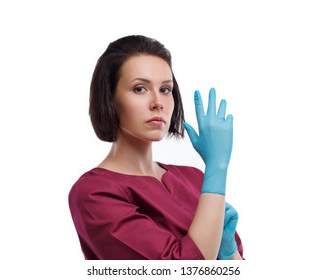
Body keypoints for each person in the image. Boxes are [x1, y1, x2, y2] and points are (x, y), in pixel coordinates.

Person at [68, 35, 244, 260]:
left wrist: (230, 253)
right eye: (140, 89)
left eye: (165, 89)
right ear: (110, 98)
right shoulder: (94, 192)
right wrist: (218, 167)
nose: (158, 102)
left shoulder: (195, 178)